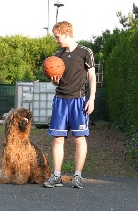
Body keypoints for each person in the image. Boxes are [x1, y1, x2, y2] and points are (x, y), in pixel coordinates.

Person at [43, 21, 96, 189]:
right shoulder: (57, 57)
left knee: (79, 139)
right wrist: (54, 81)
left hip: (79, 101)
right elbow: (56, 82)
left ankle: (78, 176)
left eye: (57, 37)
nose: (56, 40)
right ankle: (56, 176)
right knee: (58, 139)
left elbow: (92, 77)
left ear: (66, 34)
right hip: (60, 100)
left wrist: (92, 98)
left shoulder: (85, 52)